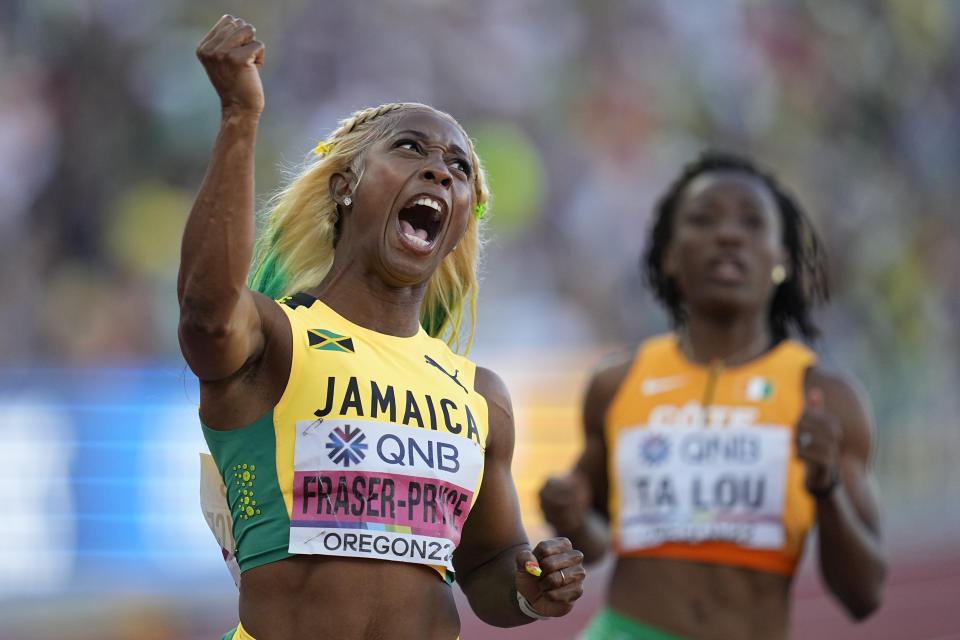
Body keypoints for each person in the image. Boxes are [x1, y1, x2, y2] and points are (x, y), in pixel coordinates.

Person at [179, 15, 585, 640]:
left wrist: (531, 588)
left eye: (459, 167)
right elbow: (205, 317)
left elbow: (486, 567)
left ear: (457, 230)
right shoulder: (275, 338)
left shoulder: (480, 397)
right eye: (410, 147)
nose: (441, 171)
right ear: (345, 184)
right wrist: (239, 115)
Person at [539, 151, 887, 639]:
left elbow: (864, 595)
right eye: (703, 220)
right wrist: (568, 513)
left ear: (782, 258)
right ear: (671, 255)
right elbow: (592, 543)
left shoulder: (824, 398)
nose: (728, 235)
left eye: (751, 223)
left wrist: (826, 488)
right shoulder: (617, 383)